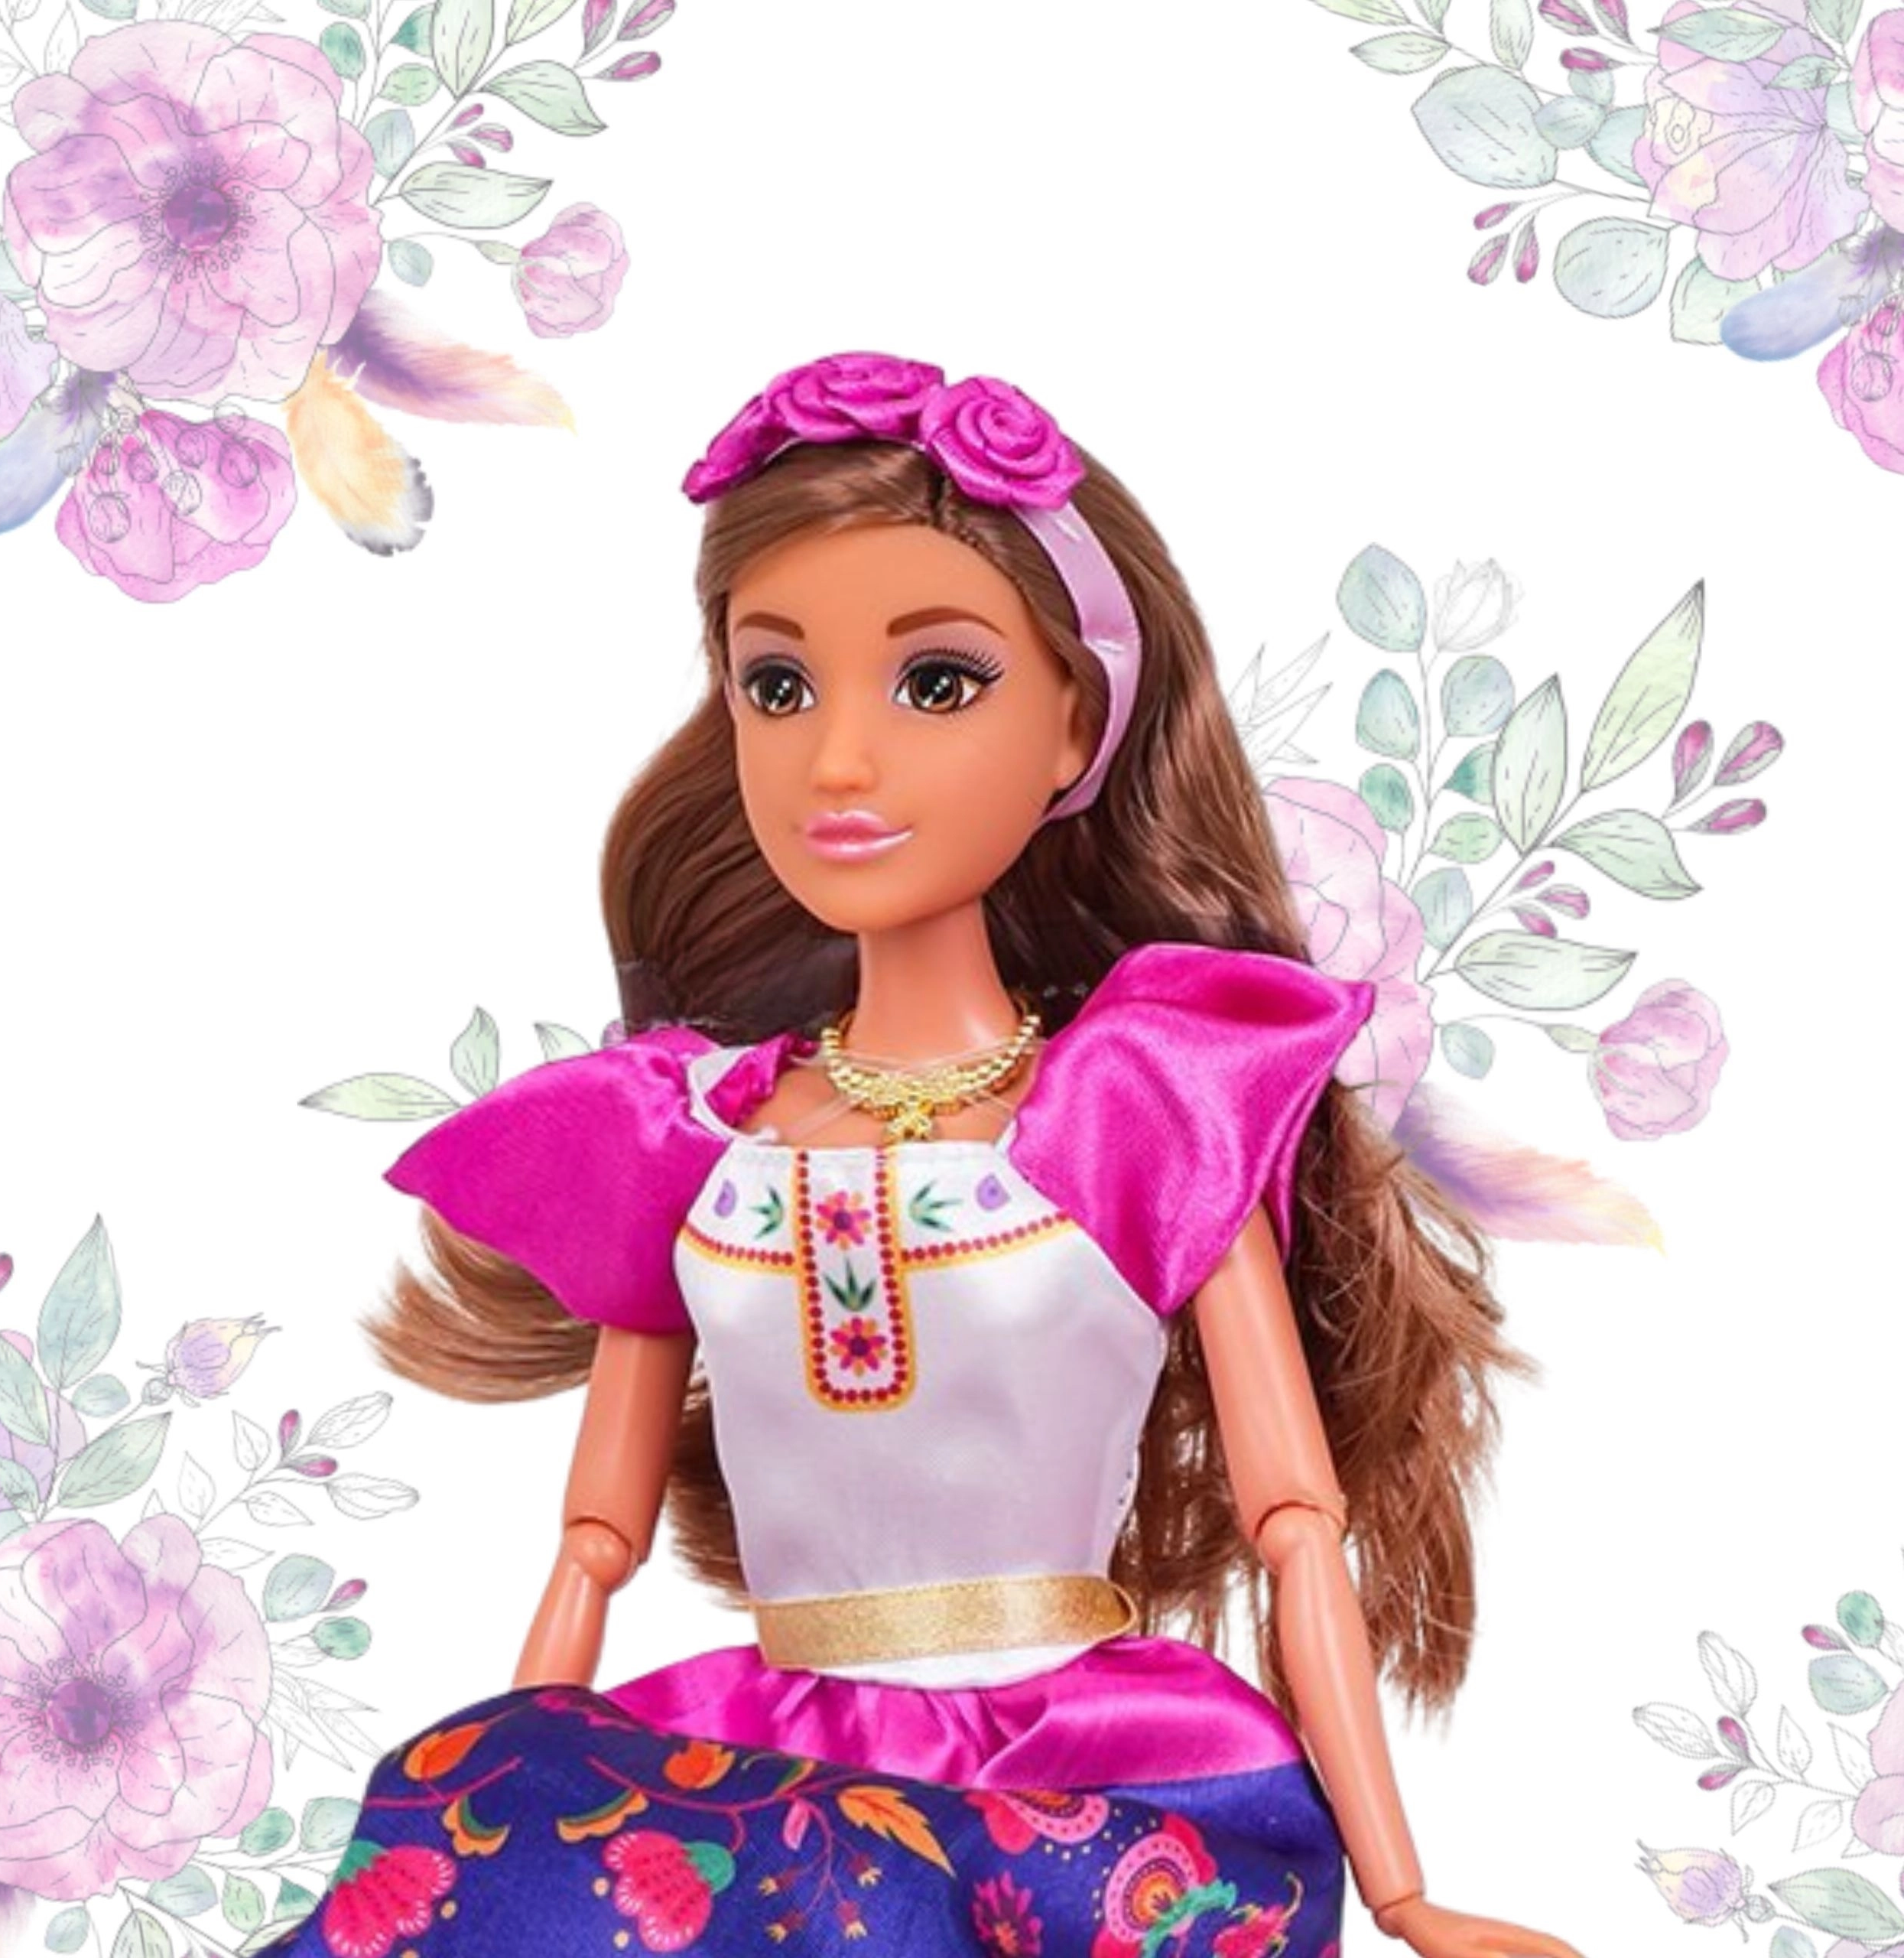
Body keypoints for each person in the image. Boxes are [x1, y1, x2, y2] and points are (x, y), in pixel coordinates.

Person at [267, 355, 1581, 1958]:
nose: (837, 761)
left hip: (1074, 1783)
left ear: (1075, 724)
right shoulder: (685, 1139)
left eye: (936, 682)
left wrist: (1401, 1891)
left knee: (892, 1900)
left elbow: (1293, 1520)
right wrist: (523, 1814)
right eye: (777, 686)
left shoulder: (1138, 1107)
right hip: (767, 1773)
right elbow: (591, 1547)